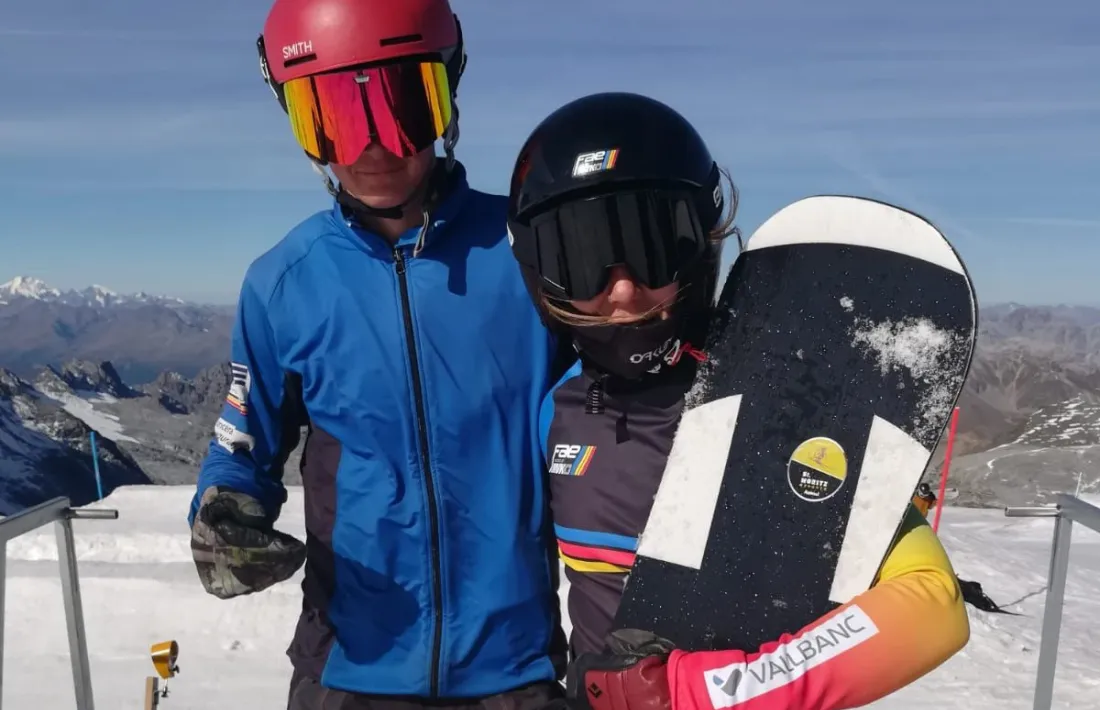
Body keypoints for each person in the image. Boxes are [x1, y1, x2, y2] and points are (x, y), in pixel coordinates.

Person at [505, 92, 971, 710]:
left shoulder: (780, 402)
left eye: (650, 249)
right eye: (580, 259)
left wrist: (698, 692)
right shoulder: (555, 411)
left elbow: (932, 604)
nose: (621, 289)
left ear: (698, 241)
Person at [186, 1, 571, 708]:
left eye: (403, 107)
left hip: (513, 668)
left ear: (448, 99)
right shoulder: (284, 282)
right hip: (349, 666)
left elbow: (603, 419)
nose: (371, 147)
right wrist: (223, 510)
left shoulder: (529, 253)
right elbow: (243, 445)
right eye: (331, 117)